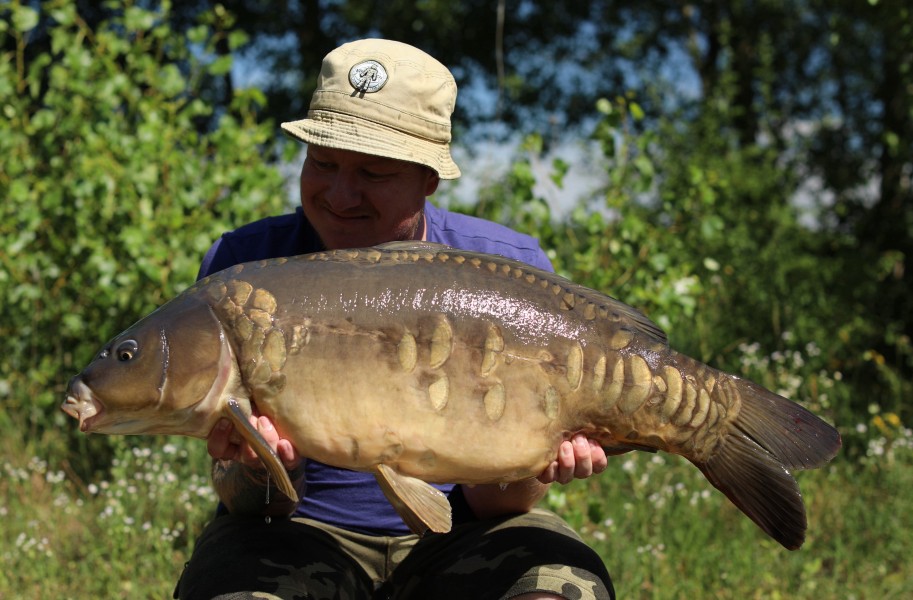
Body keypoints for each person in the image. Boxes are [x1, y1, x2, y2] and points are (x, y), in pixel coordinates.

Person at [176, 38, 614, 600]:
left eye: (373, 173)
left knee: (560, 589)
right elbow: (247, 505)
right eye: (323, 162)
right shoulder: (244, 272)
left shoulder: (512, 273)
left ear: (429, 177)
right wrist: (259, 468)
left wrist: (535, 460)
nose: (339, 194)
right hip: (296, 533)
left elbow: (496, 503)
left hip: (467, 532)